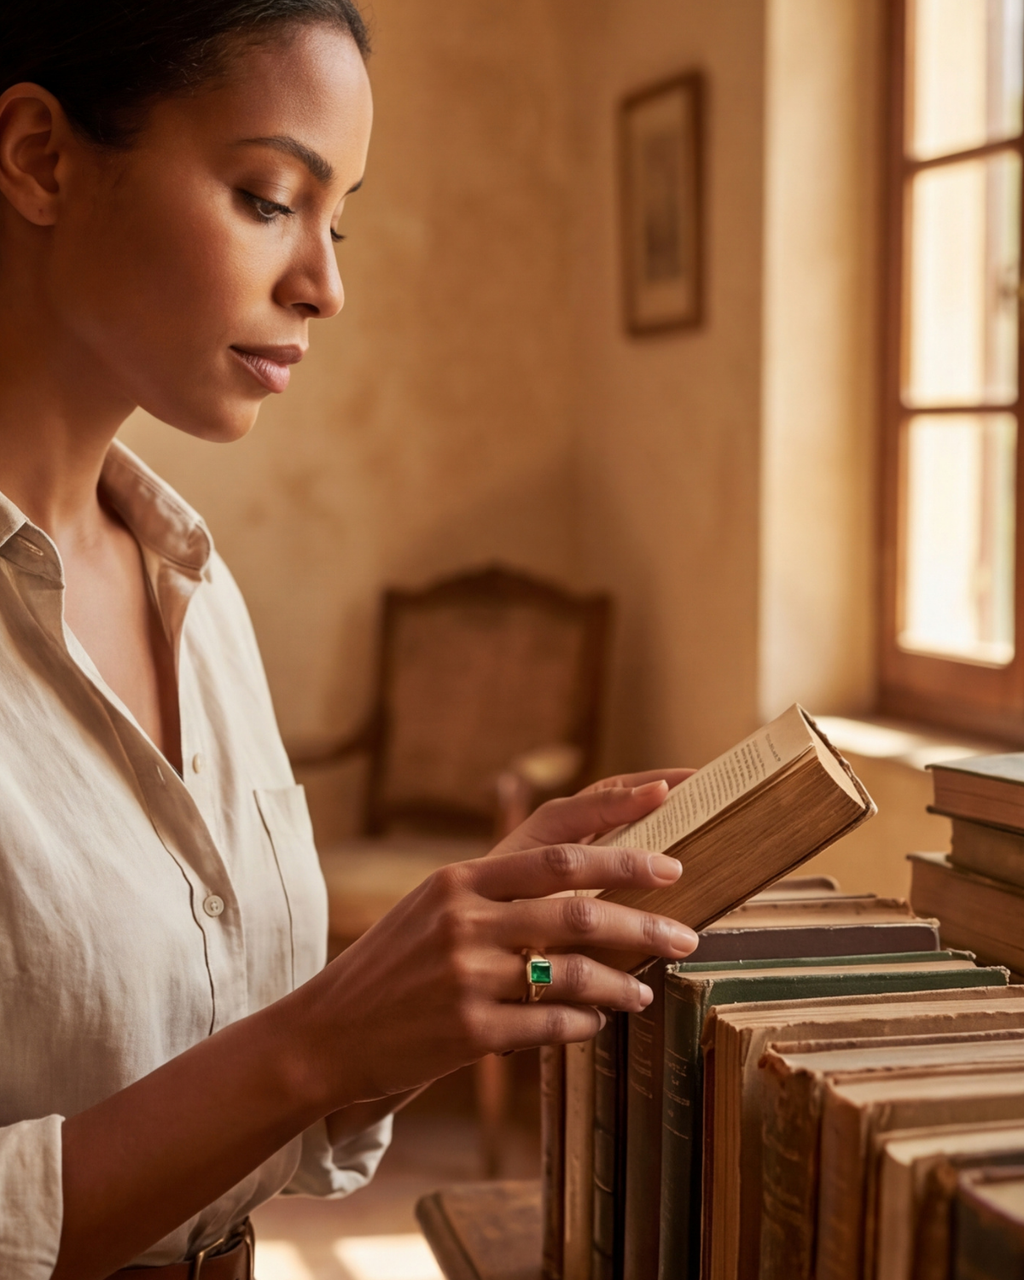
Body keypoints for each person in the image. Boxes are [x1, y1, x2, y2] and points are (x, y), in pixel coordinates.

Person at [0, 4, 699, 1277]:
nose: (327, 282)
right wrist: (323, 1034)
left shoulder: (193, 590)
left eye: (340, 218)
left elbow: (235, 1085)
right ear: (43, 159)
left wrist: (420, 988)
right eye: (271, 197)